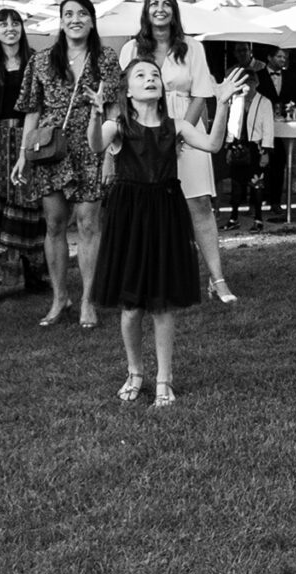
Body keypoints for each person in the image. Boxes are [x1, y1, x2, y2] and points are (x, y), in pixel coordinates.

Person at [93, 57, 244, 406]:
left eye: (155, 75)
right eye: (141, 75)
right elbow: (94, 146)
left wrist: (220, 104)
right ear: (127, 92)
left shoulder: (176, 126)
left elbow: (213, 145)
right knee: (131, 307)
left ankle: (164, 378)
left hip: (165, 213)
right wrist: (95, 113)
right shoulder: (118, 127)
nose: (150, 79)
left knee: (162, 306)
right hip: (129, 216)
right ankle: (135, 371)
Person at [122, 0, 238, 303]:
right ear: (146, 11)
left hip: (187, 121)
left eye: (166, 4)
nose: (160, 8)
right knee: (149, 207)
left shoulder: (192, 47)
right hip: (146, 130)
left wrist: (178, 133)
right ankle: (152, 278)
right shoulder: (132, 49)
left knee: (199, 203)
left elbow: (201, 92)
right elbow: (126, 96)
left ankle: (218, 280)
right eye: (154, 3)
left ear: (174, 11)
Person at [15, 0, 120, 329]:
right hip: (51, 149)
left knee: (89, 225)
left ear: (92, 20)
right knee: (55, 224)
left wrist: (110, 156)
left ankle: (88, 300)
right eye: (69, 14)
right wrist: (23, 155)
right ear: (61, 21)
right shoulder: (42, 60)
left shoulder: (105, 58)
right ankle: (60, 297)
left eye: (82, 14)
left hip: (91, 146)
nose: (75, 19)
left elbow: (115, 109)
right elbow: (32, 110)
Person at [0, 6, 48, 303]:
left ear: (22, 29)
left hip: (31, 141)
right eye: (3, 24)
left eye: (15, 23)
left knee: (31, 207)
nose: (9, 28)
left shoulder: (36, 62)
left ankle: (34, 274)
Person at [223, 59, 280, 229]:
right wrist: (228, 145)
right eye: (244, 82)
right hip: (238, 145)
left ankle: (258, 218)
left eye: (250, 82)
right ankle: (233, 218)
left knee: (256, 184)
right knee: (236, 185)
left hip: (256, 146)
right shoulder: (236, 100)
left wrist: (266, 151)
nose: (247, 86)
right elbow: (231, 124)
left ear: (256, 83)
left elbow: (268, 128)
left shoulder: (264, 102)